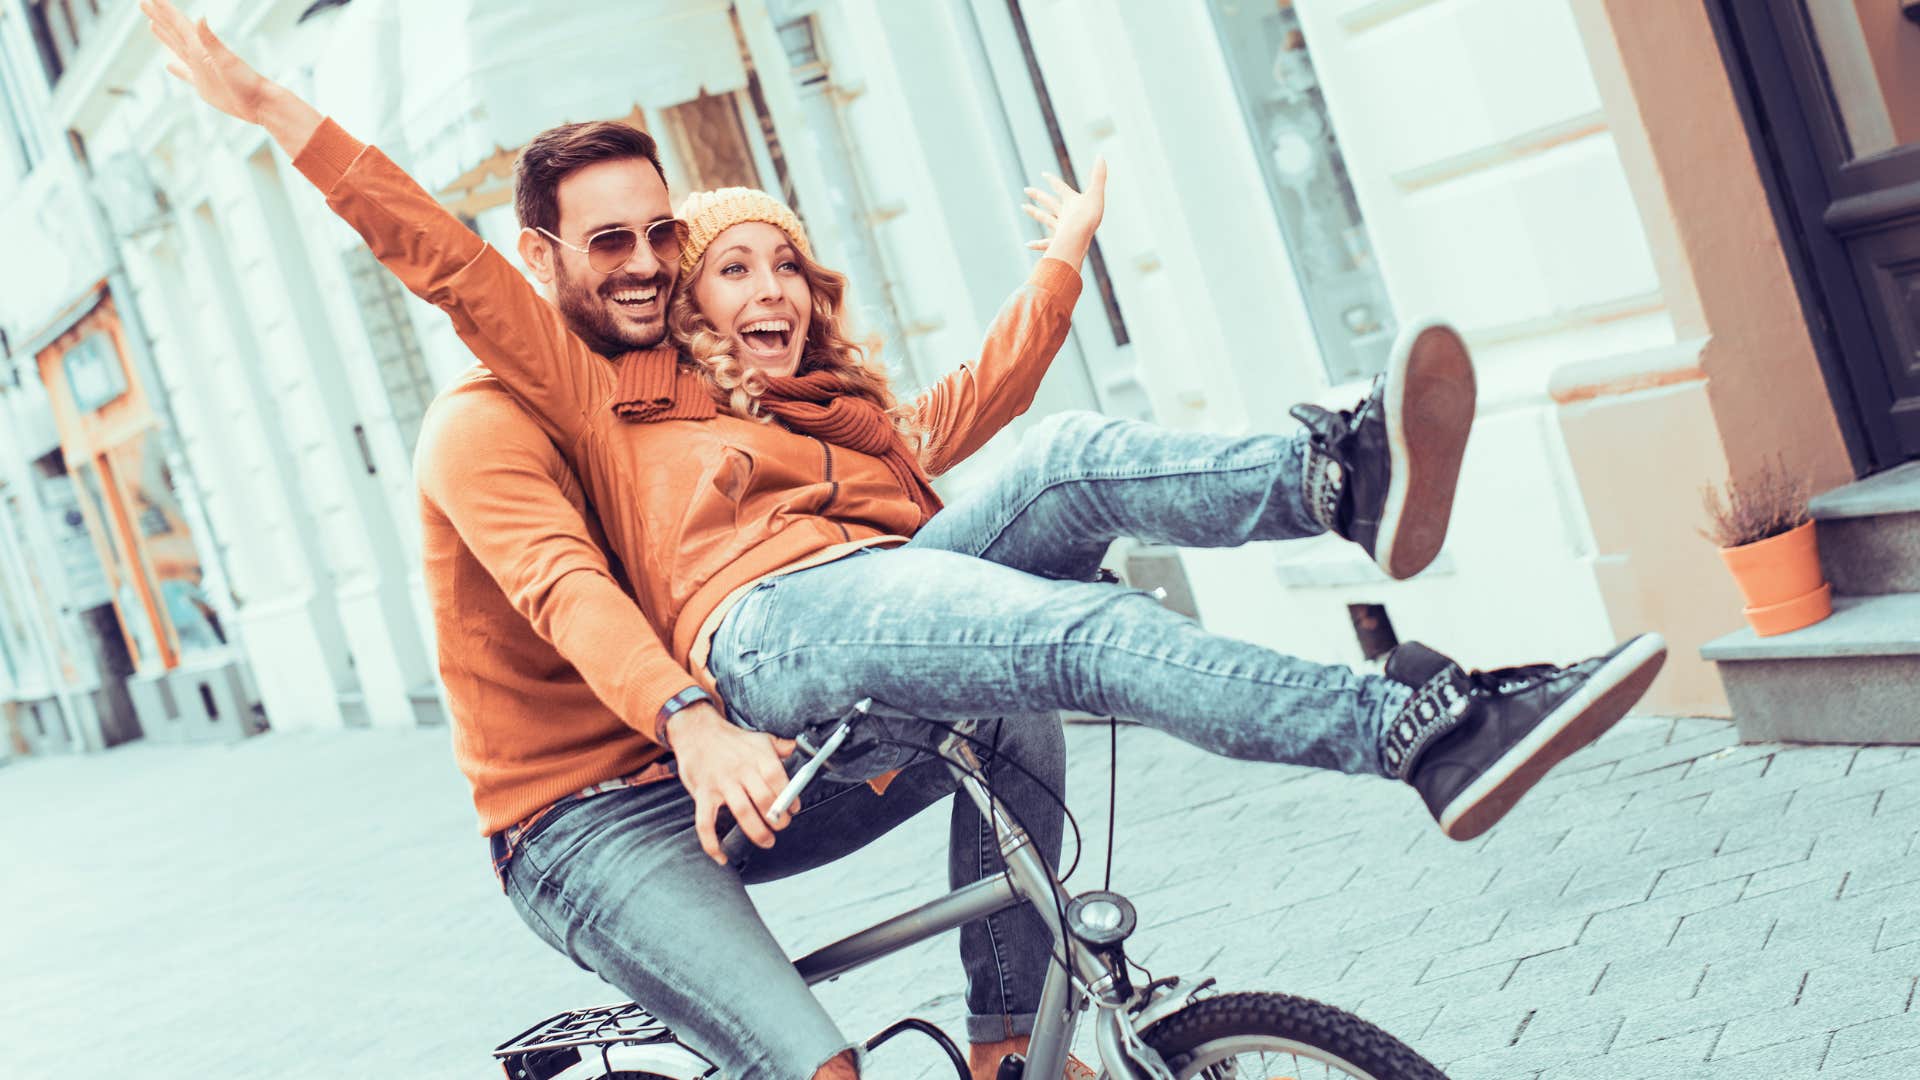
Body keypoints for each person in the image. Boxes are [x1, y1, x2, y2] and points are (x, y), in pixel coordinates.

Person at [143, 6, 1669, 1079]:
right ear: (550, 261)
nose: (664, 264)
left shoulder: (751, 389)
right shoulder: (558, 391)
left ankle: (1338, 478)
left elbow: (957, 417)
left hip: (828, 642)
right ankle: (1411, 725)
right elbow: (471, 325)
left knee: (1065, 468)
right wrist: (282, 115)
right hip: (731, 671)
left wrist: (1061, 269)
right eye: (624, 243)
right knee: (1056, 642)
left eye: (679, 237)